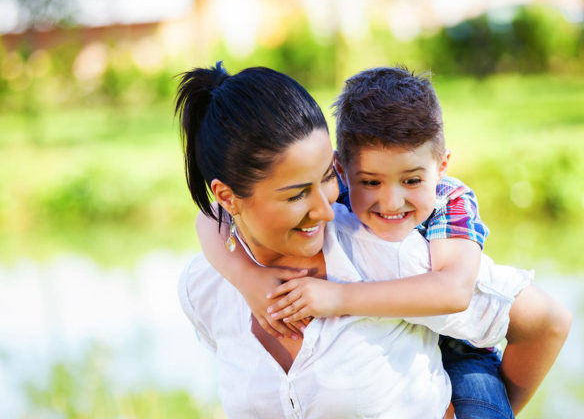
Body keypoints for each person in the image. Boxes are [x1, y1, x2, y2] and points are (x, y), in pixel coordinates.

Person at [199, 66, 572, 417]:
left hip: (464, 349)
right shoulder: (338, 190)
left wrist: (339, 298)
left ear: (441, 166)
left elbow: (455, 292)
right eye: (371, 182)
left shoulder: (448, 202)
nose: (391, 202)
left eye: (411, 181)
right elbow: (210, 216)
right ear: (342, 169)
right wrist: (246, 277)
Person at [176, 62, 456, 418]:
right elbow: (210, 216)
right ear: (228, 197)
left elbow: (542, 323)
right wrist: (244, 275)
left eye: (328, 178)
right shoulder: (204, 286)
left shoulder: (388, 249)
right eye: (296, 195)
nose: (326, 211)